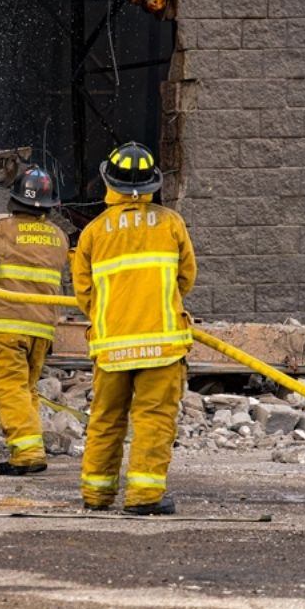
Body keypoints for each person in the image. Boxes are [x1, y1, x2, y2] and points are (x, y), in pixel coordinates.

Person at [72, 142, 196, 515]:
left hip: (111, 349)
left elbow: (83, 294)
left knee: (106, 420)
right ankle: (144, 497)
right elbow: (185, 279)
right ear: (152, 184)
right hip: (162, 347)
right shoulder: (171, 223)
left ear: (108, 181)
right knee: (153, 419)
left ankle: (97, 495)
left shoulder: (93, 233)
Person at [0, 165, 69, 475]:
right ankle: (29, 443)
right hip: (42, 329)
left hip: (7, 326)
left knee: (9, 388)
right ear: (48, 206)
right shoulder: (59, 237)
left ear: (13, 201)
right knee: (26, 388)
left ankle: (27, 454)